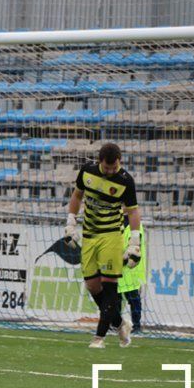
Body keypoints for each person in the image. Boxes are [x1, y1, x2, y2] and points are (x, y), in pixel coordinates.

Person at [65, 142, 142, 348]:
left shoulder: (126, 181)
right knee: (92, 285)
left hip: (111, 236)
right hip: (89, 234)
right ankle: (119, 323)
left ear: (120, 162)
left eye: (114, 167)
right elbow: (77, 196)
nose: (110, 171)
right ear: (100, 162)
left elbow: (133, 211)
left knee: (109, 285)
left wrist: (134, 242)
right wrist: (71, 222)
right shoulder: (87, 171)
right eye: (107, 168)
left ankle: (99, 337)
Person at [119, 215, 146, 333]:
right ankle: (115, 325)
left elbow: (135, 249)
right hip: (117, 270)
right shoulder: (116, 222)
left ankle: (136, 326)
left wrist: (122, 260)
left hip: (131, 270)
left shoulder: (135, 225)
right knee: (114, 299)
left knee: (134, 299)